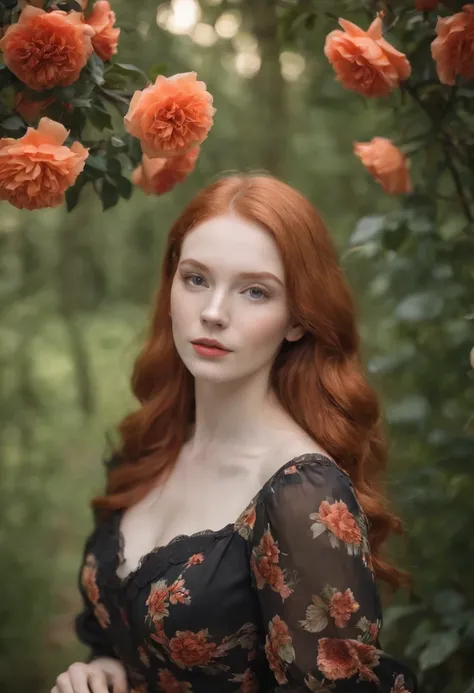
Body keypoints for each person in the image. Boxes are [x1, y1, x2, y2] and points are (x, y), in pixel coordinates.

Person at [52, 174, 418, 693]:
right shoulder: (155, 443)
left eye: (254, 291)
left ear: (296, 319)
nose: (213, 312)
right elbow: (124, 640)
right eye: (196, 279)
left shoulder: (301, 494)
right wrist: (107, 671)